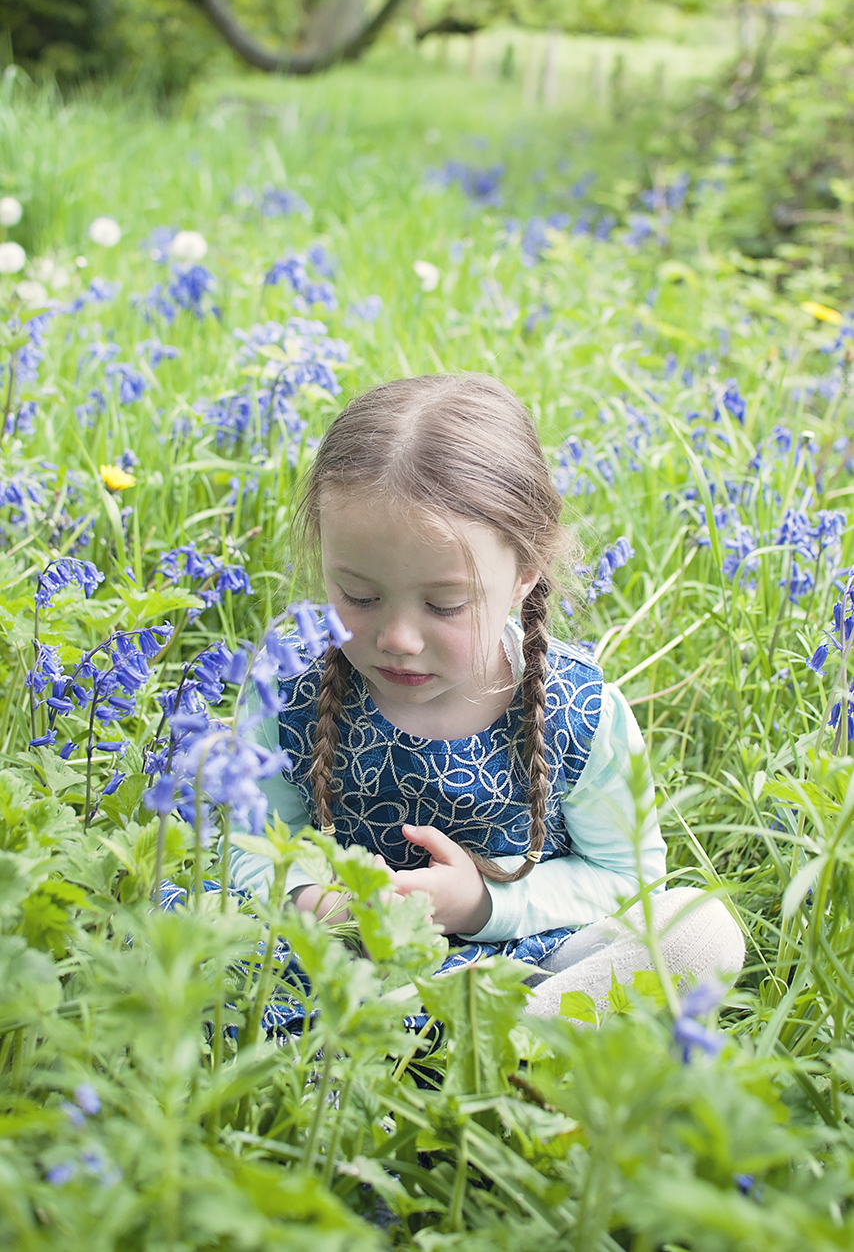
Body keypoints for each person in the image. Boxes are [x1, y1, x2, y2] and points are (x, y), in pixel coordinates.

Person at [229, 372, 744, 1019]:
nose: (397, 638)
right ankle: (428, 1041)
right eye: (359, 595)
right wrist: (321, 904)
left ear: (525, 574)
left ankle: (476, 1033)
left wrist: (481, 904)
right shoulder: (290, 683)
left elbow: (628, 878)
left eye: (444, 604)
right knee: (184, 910)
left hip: (524, 964)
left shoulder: (579, 711)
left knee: (699, 931)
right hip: (333, 956)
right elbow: (236, 842)